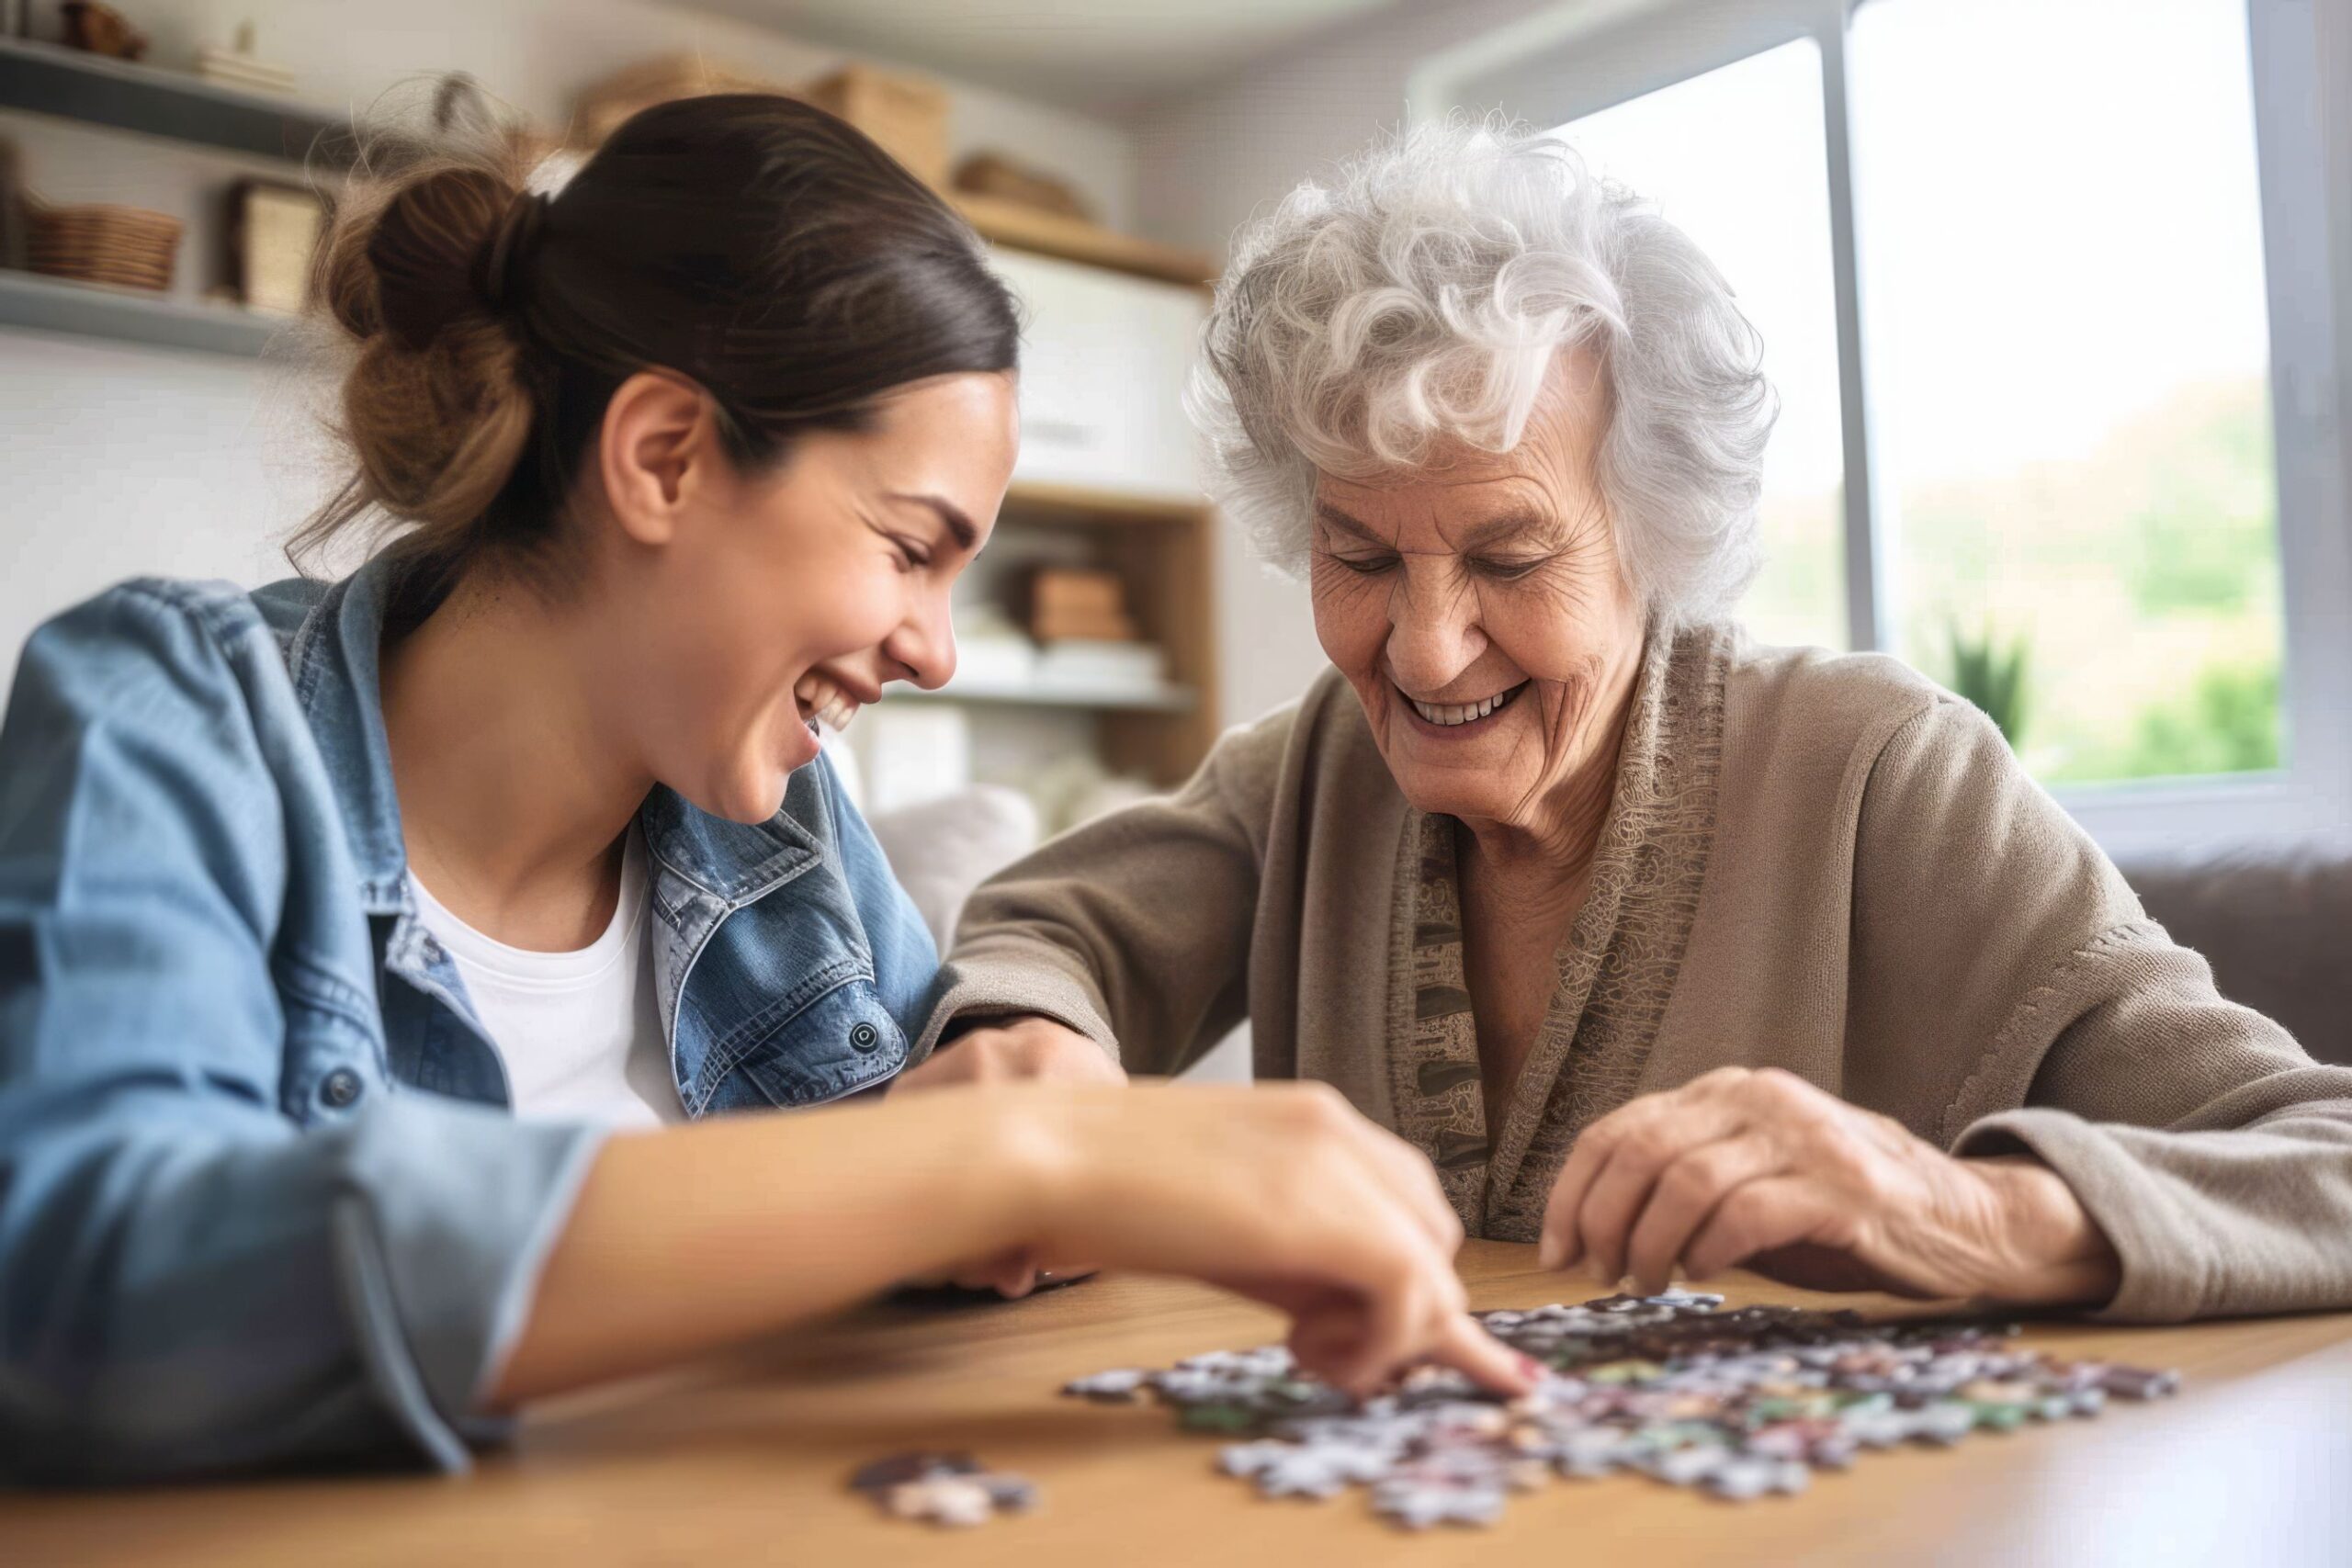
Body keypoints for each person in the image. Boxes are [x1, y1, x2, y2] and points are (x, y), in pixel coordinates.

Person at [0, 91, 1529, 1486]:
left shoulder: (782, 826)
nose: (934, 651)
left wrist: (1033, 1138)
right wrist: (1001, 1154)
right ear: (662, 456)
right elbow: (81, 1293)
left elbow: (958, 1184)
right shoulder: (171, 711)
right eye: (909, 546)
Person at [919, 120, 2352, 1321]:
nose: (1423, 646)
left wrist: (1964, 1208)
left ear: (1655, 536)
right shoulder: (1315, 771)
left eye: (1508, 557)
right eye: (1359, 555)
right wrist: (1037, 1040)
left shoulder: (1885, 774)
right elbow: (1052, 929)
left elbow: (2324, 1161)